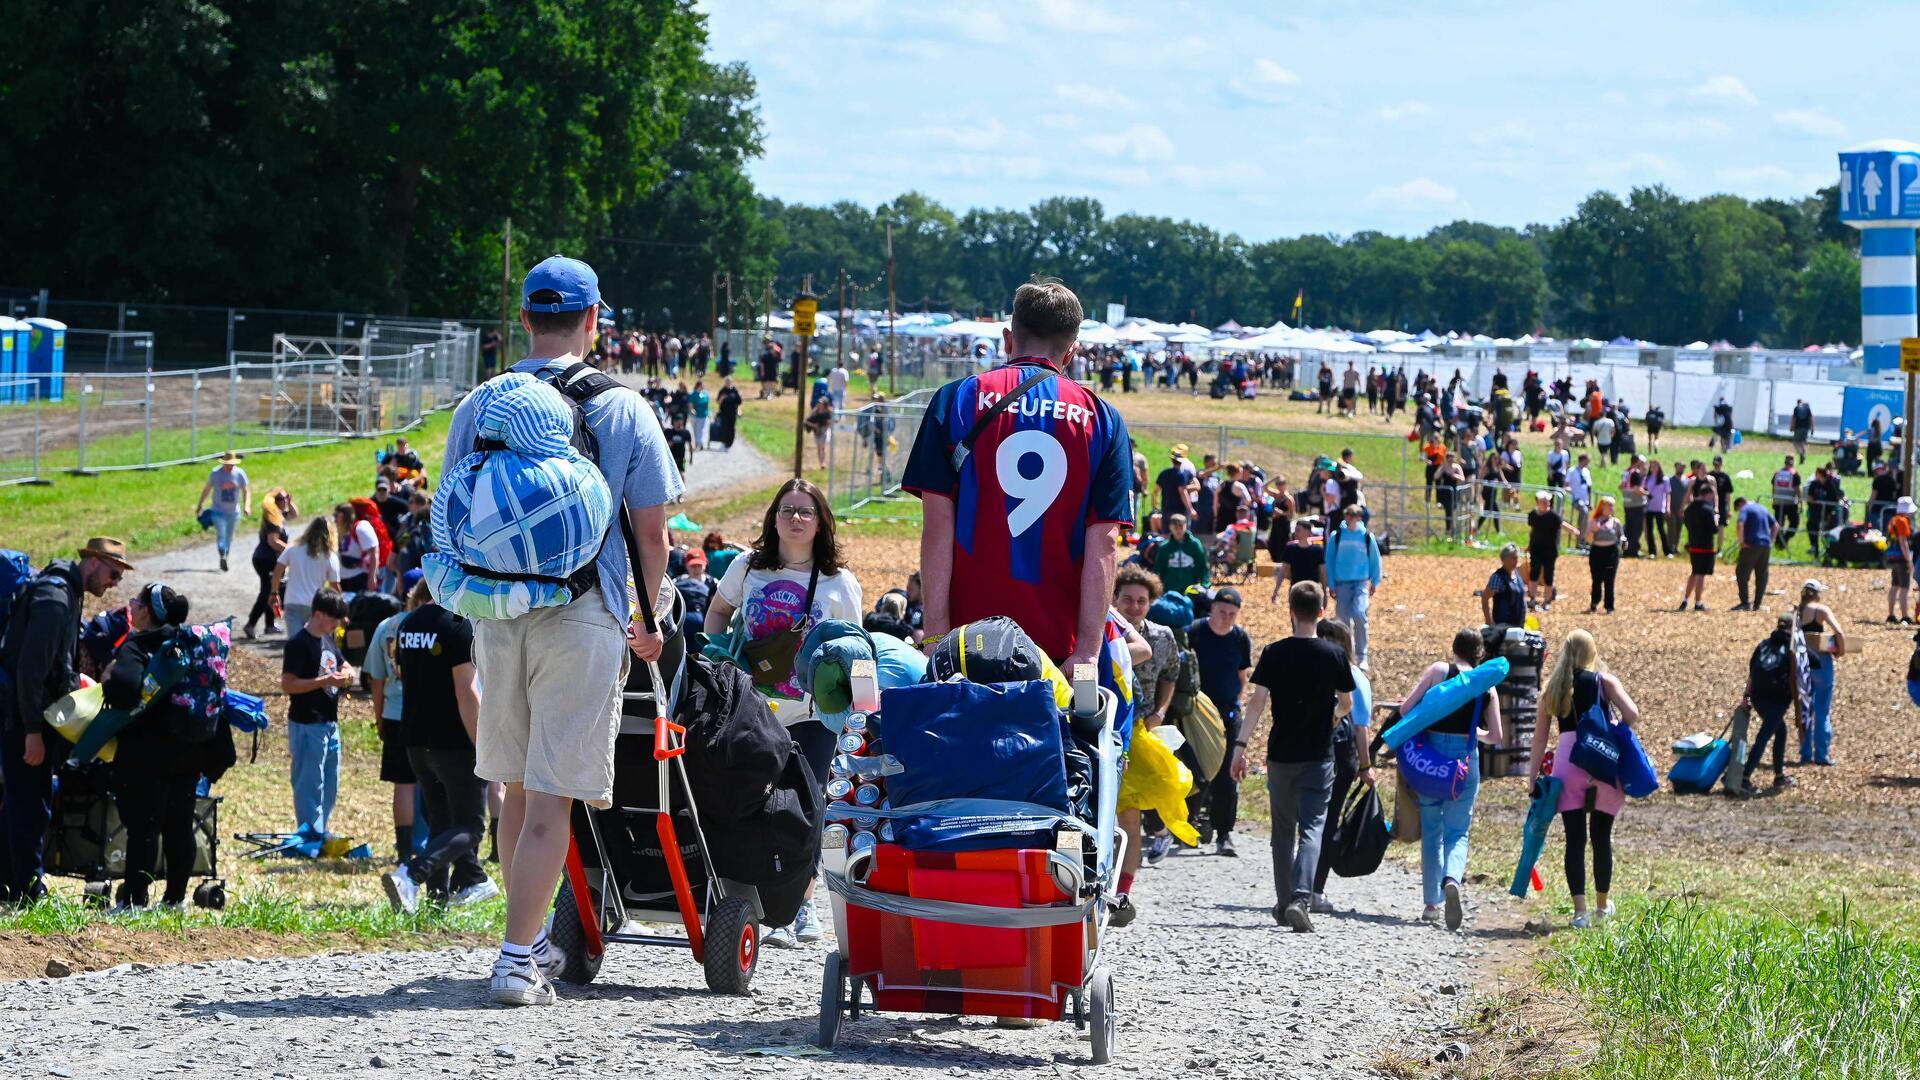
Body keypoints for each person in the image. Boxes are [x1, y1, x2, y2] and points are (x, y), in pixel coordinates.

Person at [444, 255, 680, 1008]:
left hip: (500, 614)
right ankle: (517, 959)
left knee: (515, 786)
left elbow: (452, 515)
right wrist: (653, 618)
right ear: (594, 319)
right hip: (585, 615)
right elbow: (652, 535)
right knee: (552, 796)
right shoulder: (622, 408)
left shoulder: (478, 405)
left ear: (522, 319)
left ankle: (532, 938)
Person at [903, 280, 1133, 670]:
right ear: (1072, 351)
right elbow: (1105, 544)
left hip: (964, 639)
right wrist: (1089, 653)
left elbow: (937, 527)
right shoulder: (1104, 420)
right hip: (1056, 646)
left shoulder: (955, 399)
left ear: (1008, 339)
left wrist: (936, 636)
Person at [705, 479, 863, 947]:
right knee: (745, 799)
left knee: (808, 803)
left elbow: (854, 647)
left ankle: (801, 907)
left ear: (821, 523)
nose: (796, 518)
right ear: (773, 517)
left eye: (806, 512)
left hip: (813, 712)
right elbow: (717, 612)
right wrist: (719, 656)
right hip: (752, 709)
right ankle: (743, 897)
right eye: (788, 510)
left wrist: (857, 706)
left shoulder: (840, 583)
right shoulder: (747, 566)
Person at [0, 538, 133, 902]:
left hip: (34, 717)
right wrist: (31, 733)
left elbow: (59, 665)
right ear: (92, 562)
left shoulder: (68, 593)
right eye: (113, 573)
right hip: (25, 719)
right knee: (31, 803)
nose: (115, 583)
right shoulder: (56, 600)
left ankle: (9, 883)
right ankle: (27, 891)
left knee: (19, 800)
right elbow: (30, 670)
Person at [106, 583, 235, 910]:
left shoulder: (140, 643)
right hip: (192, 748)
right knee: (180, 822)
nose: (131, 604)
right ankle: (174, 899)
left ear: (147, 611)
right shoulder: (192, 643)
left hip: (148, 751)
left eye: (136, 600)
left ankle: (134, 902)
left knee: (143, 826)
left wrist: (108, 678)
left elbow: (123, 689)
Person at [1238, 581, 1356, 932]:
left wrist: (1240, 747)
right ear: (1321, 612)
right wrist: (1331, 718)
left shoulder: (1274, 652)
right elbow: (1347, 703)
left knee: (1282, 830)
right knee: (1313, 826)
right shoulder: (1335, 655)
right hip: (1319, 755)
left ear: (1290, 610)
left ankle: (1283, 899)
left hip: (1280, 754)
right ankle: (1302, 897)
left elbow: (1257, 703)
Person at [383, 583, 495, 911]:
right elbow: (467, 692)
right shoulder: (457, 623)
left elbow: (406, 677)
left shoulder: (408, 624)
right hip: (455, 741)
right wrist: (482, 744)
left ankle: (437, 901)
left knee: (440, 822)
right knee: (472, 826)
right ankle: (411, 875)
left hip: (415, 739)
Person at [1531, 629, 1641, 929]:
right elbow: (1632, 714)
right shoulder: (1603, 682)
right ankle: (1602, 906)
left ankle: (1579, 912)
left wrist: (1532, 778)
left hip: (1567, 761)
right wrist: (1611, 725)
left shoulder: (1552, 688)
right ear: (1592, 652)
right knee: (1602, 838)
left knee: (1575, 840)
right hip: (1600, 759)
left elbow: (1539, 741)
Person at [1396, 628, 1502, 929]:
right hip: (1465, 761)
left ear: (1454, 648)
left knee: (1432, 828)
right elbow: (1495, 736)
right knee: (1458, 830)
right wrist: (1474, 732)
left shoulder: (1439, 671)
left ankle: (1431, 903)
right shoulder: (1486, 686)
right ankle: (1452, 878)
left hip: (1431, 759)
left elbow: (1406, 710)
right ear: (1479, 653)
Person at [1110, 566, 1180, 927]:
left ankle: (1123, 892)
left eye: (1141, 601)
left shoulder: (1164, 637)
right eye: (1127, 600)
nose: (1134, 607)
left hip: (1142, 730)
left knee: (1130, 819)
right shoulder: (1101, 631)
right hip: (1107, 727)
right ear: (1114, 599)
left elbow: (1172, 675)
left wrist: (1162, 711)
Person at [1308, 618, 1373, 916]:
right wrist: (1365, 766)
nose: (1321, 641)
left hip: (1322, 753)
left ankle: (1307, 886)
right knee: (1323, 821)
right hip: (1337, 756)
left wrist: (1364, 764)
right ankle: (1313, 889)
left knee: (1314, 821)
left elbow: (1361, 727)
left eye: (1327, 637)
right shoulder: (1356, 677)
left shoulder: (1338, 675)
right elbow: (1361, 727)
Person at [281, 588, 353, 838]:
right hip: (306, 723)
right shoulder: (298, 644)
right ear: (319, 614)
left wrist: (348, 672)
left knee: (330, 782)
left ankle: (320, 830)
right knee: (309, 782)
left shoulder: (328, 638)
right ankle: (309, 834)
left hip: (329, 723)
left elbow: (343, 663)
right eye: (334, 619)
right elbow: (288, 684)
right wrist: (324, 681)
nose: (337, 624)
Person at [1190, 587, 1253, 857]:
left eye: (1232, 614)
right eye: (1222, 612)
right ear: (1211, 609)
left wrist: (1236, 702)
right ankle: (1184, 826)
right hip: (1196, 712)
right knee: (1194, 770)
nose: (1226, 618)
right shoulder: (1195, 632)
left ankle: (1224, 833)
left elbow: (1243, 675)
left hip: (1227, 710)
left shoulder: (1240, 638)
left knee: (1228, 773)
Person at [364, 578, 422, 864]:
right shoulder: (431, 625)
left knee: (403, 784)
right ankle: (434, 842)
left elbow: (376, 678)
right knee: (434, 782)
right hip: (425, 714)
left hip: (394, 711)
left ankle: (404, 849)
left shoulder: (385, 627)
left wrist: (379, 717)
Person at [1736, 615, 1799, 794]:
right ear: (1793, 629)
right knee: (1764, 736)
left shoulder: (1763, 644)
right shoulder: (1792, 648)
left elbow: (1752, 673)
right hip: (1777, 700)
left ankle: (1779, 776)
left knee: (1781, 731)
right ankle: (1744, 777)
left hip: (1758, 698)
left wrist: (1746, 697)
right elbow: (1814, 661)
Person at [1326, 504, 1383, 668]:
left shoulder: (1366, 536)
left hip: (1360, 583)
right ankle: (1345, 654)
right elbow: (1329, 561)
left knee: (1359, 614)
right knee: (1342, 620)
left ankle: (1361, 655)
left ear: (1360, 517)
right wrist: (1331, 584)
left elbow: (1375, 559)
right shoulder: (1336, 537)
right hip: (1342, 583)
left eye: (1354, 515)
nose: (1350, 518)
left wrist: (1375, 580)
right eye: (1348, 514)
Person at [1796, 580, 1845, 765]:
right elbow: (1838, 631)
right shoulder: (1821, 610)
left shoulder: (1797, 611)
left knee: (1805, 710)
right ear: (1817, 593)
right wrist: (1841, 650)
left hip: (1802, 663)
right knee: (1822, 710)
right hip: (1822, 662)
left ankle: (1805, 754)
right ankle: (1822, 755)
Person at [272, 517, 341, 633]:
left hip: (293, 601)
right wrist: (340, 609)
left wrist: (274, 593)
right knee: (314, 643)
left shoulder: (293, 549)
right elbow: (335, 586)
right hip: (317, 605)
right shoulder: (330, 557)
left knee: (295, 643)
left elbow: (277, 571)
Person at [245, 488, 295, 639]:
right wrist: (292, 551)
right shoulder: (272, 518)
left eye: (286, 498)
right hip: (265, 560)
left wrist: (289, 502)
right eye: (281, 499)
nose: (284, 501)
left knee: (274, 589)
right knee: (268, 592)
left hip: (271, 559)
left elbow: (294, 514)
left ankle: (269, 625)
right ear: (274, 502)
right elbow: (272, 541)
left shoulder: (278, 514)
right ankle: (251, 624)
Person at [1680, 481, 1721, 612]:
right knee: (1701, 575)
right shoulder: (1708, 510)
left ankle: (1685, 600)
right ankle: (1698, 602)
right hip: (1706, 546)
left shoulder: (1689, 509)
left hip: (1693, 544)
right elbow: (1714, 530)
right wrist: (1716, 519)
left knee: (1694, 572)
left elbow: (1686, 524)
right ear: (1708, 494)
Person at [1732, 496, 1778, 612]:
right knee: (1762, 574)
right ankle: (1757, 604)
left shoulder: (1745, 509)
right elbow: (1776, 526)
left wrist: (1742, 542)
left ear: (1740, 504)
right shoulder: (1763, 508)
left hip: (1751, 545)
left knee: (1741, 573)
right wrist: (1771, 541)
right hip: (1765, 546)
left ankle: (1745, 603)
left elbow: (1740, 524)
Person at [1270, 518, 1326, 603]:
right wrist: (1276, 590)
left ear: (1307, 532)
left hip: (1313, 590)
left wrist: (1325, 592)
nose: (1295, 533)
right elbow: (1283, 570)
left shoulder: (1317, 550)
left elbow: (1322, 573)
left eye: (1298, 530)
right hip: (1296, 590)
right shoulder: (1290, 549)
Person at [1152, 513, 1209, 598]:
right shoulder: (1165, 547)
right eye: (1175, 528)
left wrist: (1205, 584)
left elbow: (1203, 566)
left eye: (1181, 527)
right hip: (1169, 590)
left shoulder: (1194, 544)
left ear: (1186, 526)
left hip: (1191, 590)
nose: (1178, 531)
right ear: (1170, 527)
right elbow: (1158, 569)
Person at [1582, 495, 1622, 614]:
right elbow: (1588, 539)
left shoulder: (1615, 522)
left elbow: (1621, 536)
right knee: (1597, 579)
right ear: (1602, 506)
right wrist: (1594, 530)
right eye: (1608, 505)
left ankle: (1609, 606)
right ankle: (1594, 603)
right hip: (1597, 552)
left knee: (1609, 580)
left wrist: (1624, 542)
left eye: (1612, 505)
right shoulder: (1593, 521)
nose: (1611, 508)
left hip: (1611, 552)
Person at [334, 503, 381, 594]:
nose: (334, 518)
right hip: (343, 579)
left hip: (359, 577)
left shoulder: (360, 528)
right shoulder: (340, 530)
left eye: (337, 515)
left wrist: (372, 577)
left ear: (345, 515)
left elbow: (374, 552)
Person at [1480, 543, 1528, 627]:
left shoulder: (1517, 576)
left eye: (1517, 558)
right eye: (1513, 558)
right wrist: (1489, 621)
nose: (1516, 561)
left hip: (1518, 625)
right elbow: (1485, 598)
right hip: (1502, 627)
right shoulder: (1498, 577)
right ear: (1504, 559)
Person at [1888, 496, 1915, 625]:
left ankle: (1891, 614)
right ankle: (1905, 616)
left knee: (1894, 586)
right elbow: (1903, 541)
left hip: (1892, 556)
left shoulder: (1893, 519)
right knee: (1904, 587)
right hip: (1901, 557)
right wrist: (1909, 560)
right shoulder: (1903, 521)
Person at [1566, 452, 1594, 539]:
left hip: (1585, 499)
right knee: (1584, 511)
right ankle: (1580, 536)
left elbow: (1589, 487)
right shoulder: (1572, 471)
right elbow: (1566, 484)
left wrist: (1590, 501)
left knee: (1586, 518)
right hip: (1576, 498)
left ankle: (1582, 539)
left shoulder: (1586, 471)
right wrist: (1568, 489)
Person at [712, 377, 743, 450]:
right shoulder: (722, 391)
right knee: (724, 427)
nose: (728, 383)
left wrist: (739, 411)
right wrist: (722, 398)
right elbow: (718, 402)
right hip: (724, 413)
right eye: (727, 382)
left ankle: (730, 442)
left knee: (731, 428)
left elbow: (739, 402)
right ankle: (725, 442)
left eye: (729, 382)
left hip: (732, 413)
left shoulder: (734, 390)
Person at [805, 396, 833, 470]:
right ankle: (820, 463)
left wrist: (827, 424)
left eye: (822, 403)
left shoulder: (828, 412)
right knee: (818, 448)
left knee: (823, 447)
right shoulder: (815, 411)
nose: (820, 404)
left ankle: (822, 463)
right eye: (819, 402)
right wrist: (814, 425)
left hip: (824, 430)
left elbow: (831, 421)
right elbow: (808, 421)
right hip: (817, 432)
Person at [689, 379, 711, 450]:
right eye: (701, 385)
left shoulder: (705, 394)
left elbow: (707, 405)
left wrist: (708, 413)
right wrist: (692, 410)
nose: (702, 387)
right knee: (696, 430)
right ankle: (697, 443)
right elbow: (691, 405)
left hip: (704, 415)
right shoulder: (693, 395)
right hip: (695, 416)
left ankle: (701, 443)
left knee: (702, 430)